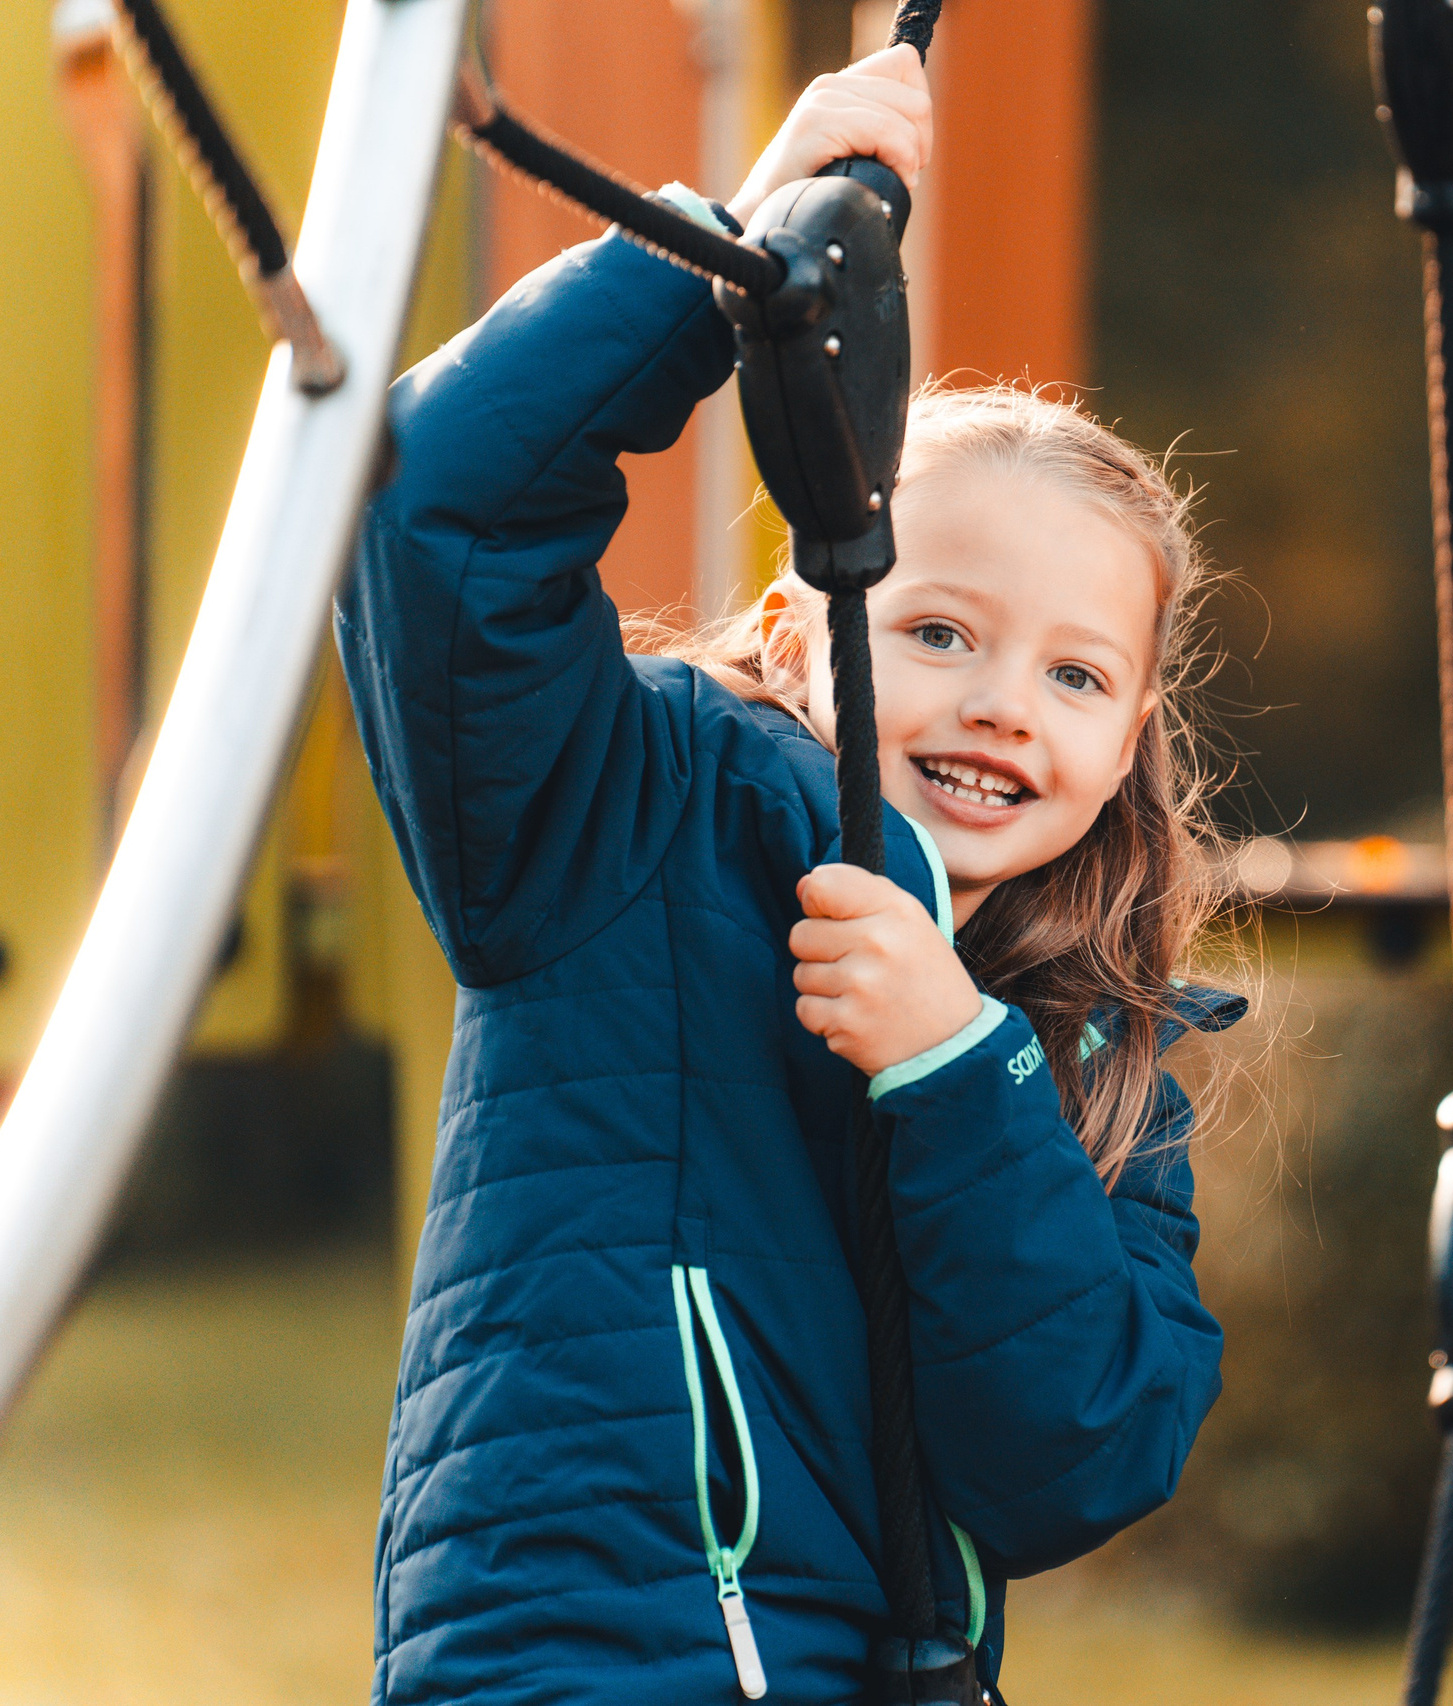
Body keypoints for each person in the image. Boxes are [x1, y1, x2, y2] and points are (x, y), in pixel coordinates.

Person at [339, 43, 1245, 1706]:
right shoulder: (628, 818)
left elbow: (1084, 1450)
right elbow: (434, 516)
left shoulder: (1096, 1056)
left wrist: (954, 1068)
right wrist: (719, 259)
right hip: (584, 1663)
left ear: (1129, 740)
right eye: (939, 630)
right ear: (799, 634)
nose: (996, 702)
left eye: (1074, 675)